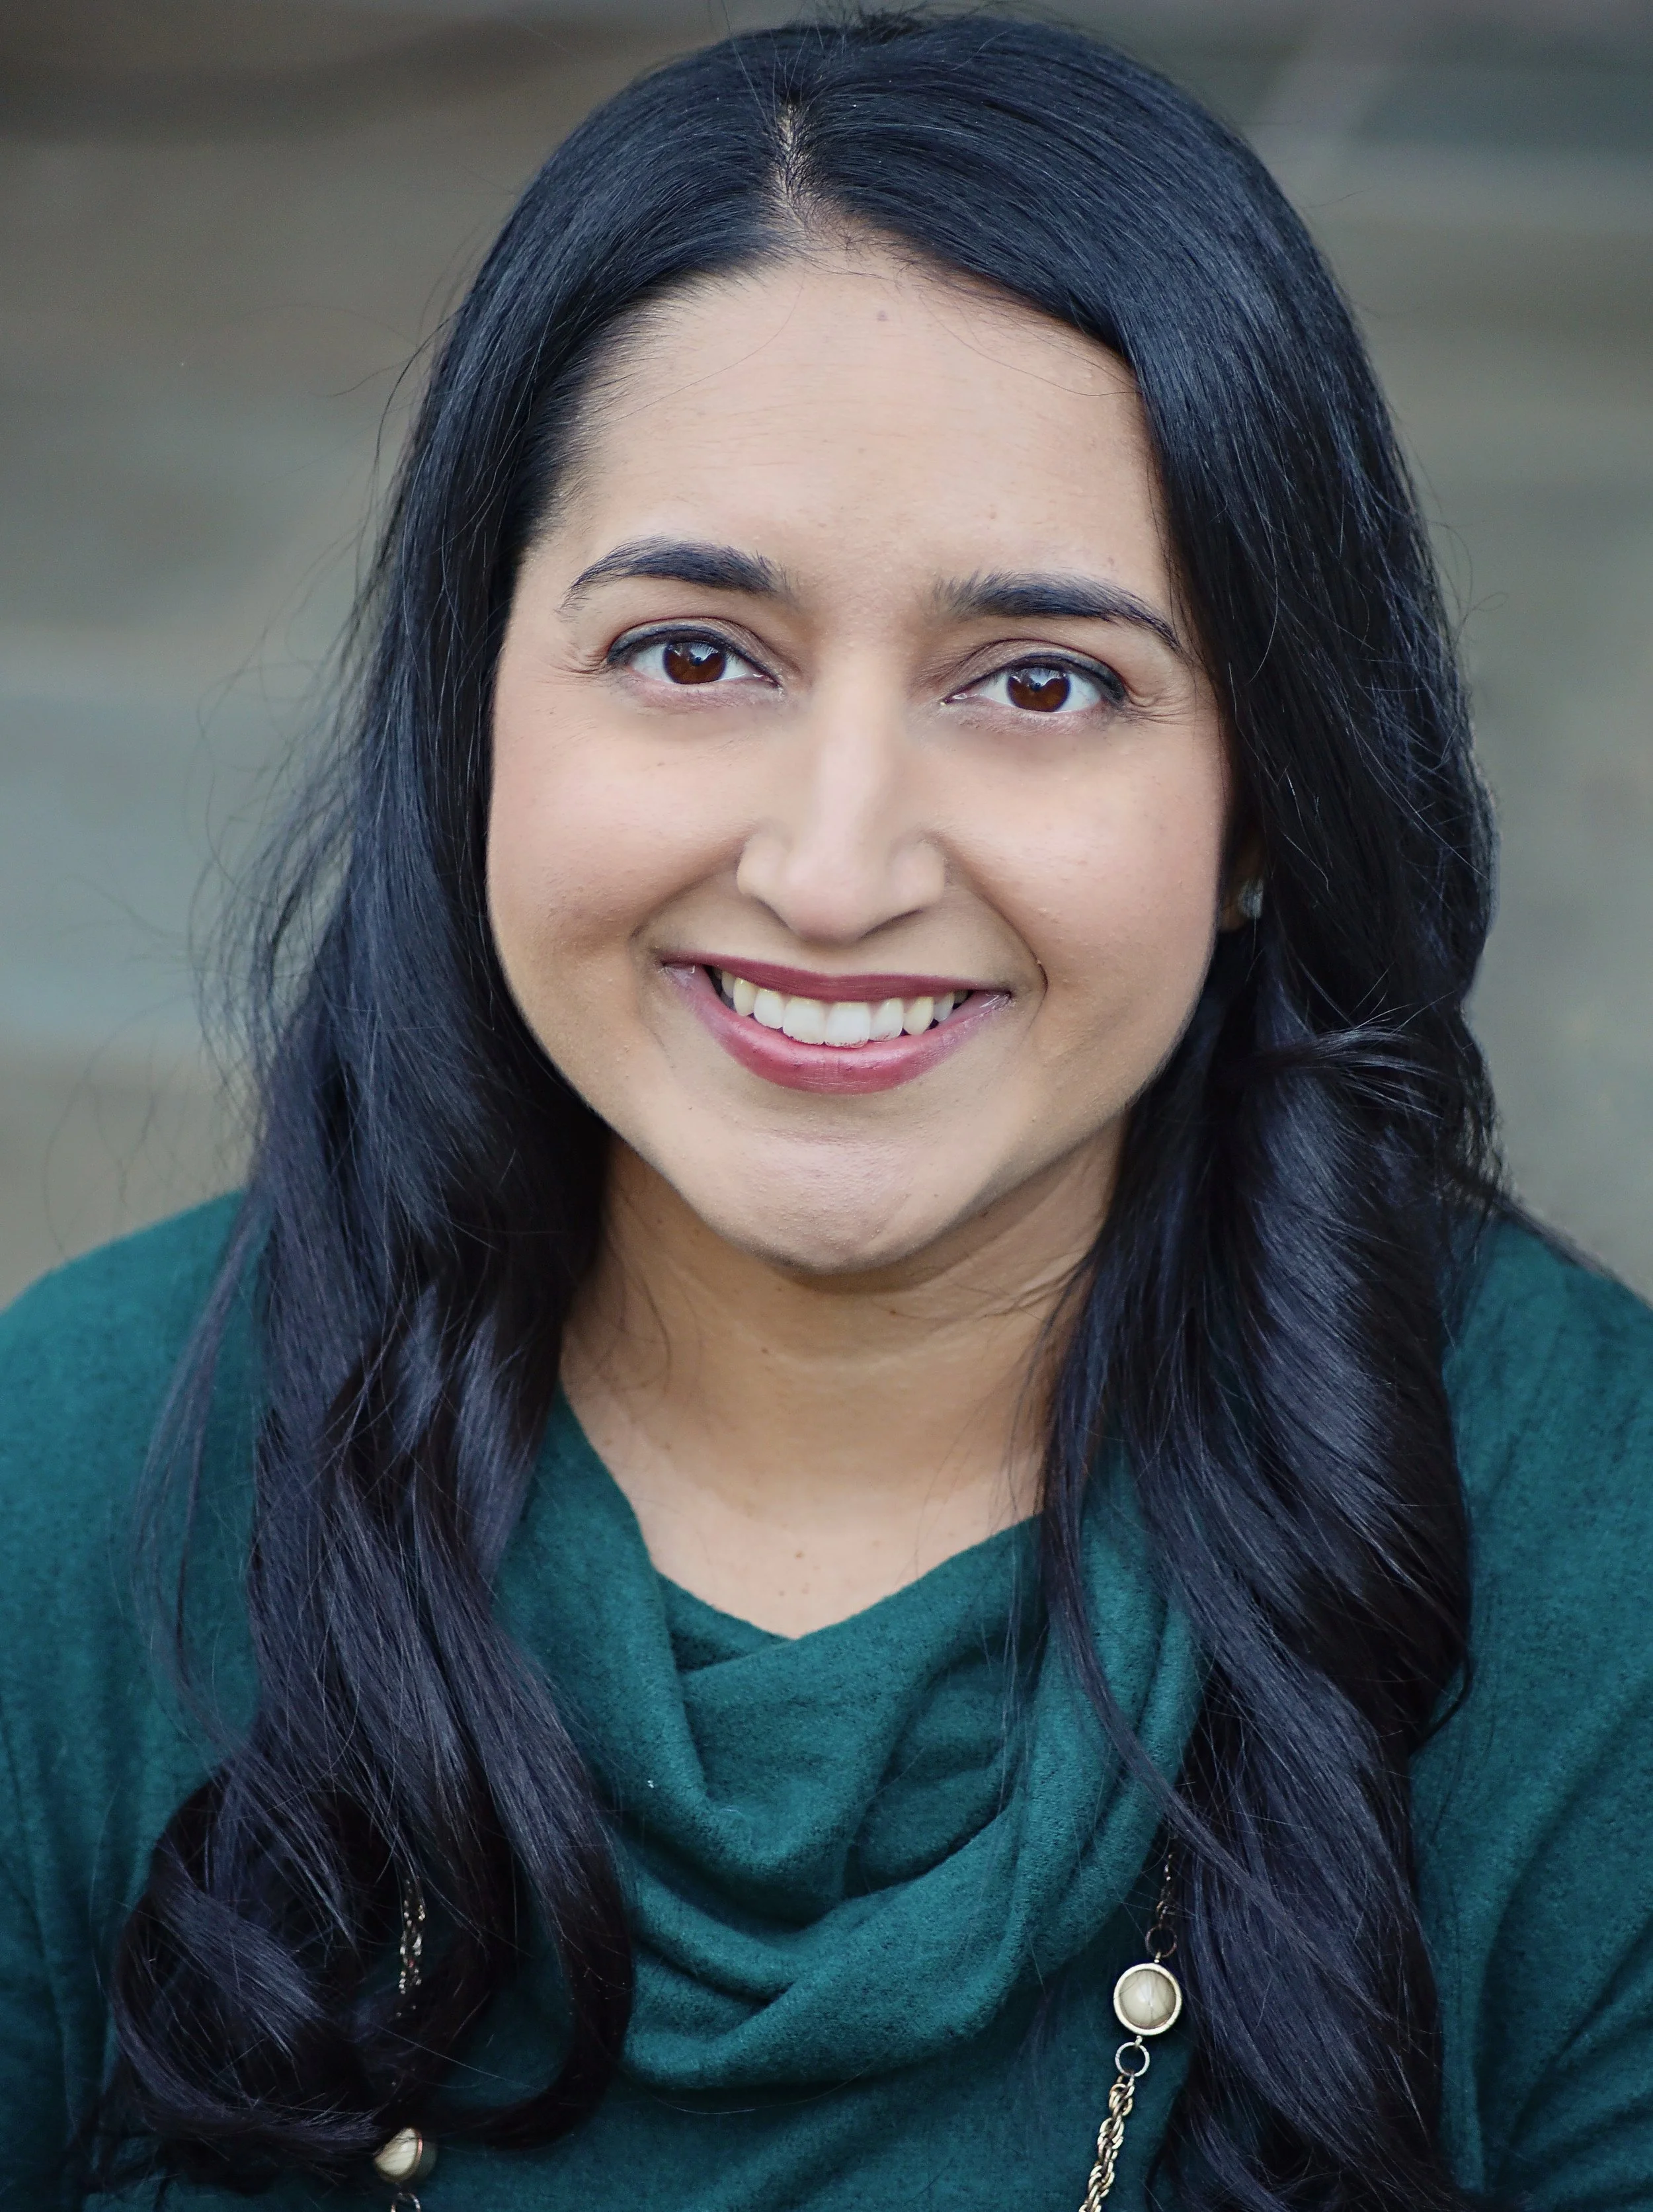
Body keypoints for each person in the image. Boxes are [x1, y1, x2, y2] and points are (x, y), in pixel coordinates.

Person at [1, 12, 1649, 2210]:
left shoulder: (1596, 1577)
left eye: (1042, 683)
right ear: (474, 707)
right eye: (694, 653)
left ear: (1266, 797)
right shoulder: (71, 1480)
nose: (837, 868)